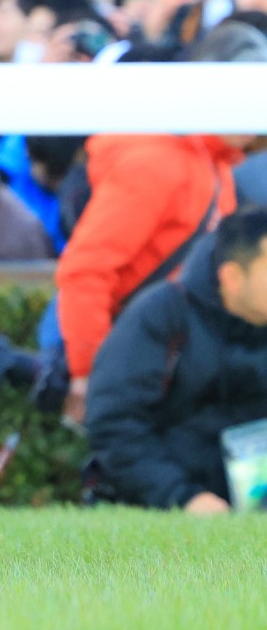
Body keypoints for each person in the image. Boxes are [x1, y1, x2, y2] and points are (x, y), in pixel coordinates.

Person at [53, 23, 267, 425]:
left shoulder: (216, 163)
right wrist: (93, 377)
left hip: (167, 369)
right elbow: (86, 272)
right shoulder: (160, 161)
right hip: (136, 369)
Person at [87, 207, 267, 510]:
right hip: (172, 503)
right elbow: (115, 424)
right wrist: (182, 496)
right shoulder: (161, 316)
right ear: (232, 277)